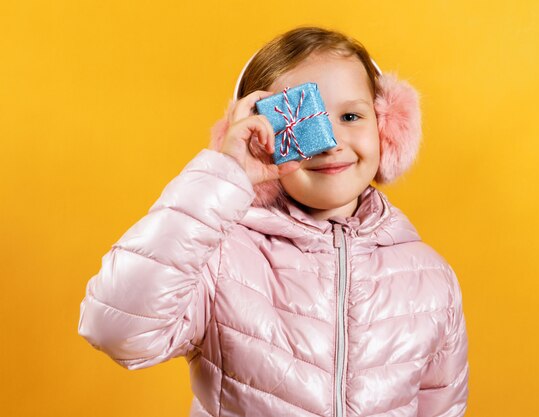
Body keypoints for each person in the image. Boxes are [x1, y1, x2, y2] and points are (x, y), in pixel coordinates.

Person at [78, 26, 469, 417]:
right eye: (301, 121)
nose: (331, 142)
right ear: (259, 135)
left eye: (351, 115)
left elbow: (441, 407)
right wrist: (228, 174)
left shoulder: (431, 277)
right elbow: (116, 331)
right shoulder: (220, 259)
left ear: (388, 129)